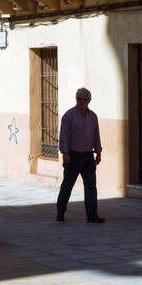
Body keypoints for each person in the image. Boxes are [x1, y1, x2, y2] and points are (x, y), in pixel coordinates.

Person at [56, 88, 105, 223]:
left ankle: (92, 215)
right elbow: (64, 136)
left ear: (89, 100)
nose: (82, 102)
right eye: (79, 99)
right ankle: (60, 211)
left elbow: (96, 135)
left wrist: (98, 152)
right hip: (73, 156)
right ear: (76, 99)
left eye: (84, 99)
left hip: (89, 156)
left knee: (90, 186)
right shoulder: (69, 116)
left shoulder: (93, 116)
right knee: (67, 185)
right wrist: (65, 152)